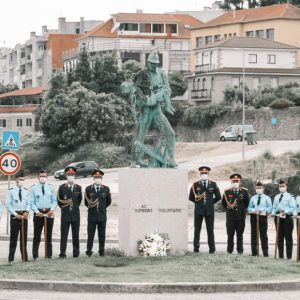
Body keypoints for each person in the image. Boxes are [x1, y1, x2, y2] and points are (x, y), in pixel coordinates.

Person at [132, 51, 176, 167]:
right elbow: (135, 90)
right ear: (148, 62)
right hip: (145, 110)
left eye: (155, 64)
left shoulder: (162, 74)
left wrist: (163, 96)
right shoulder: (141, 74)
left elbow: (168, 89)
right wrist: (142, 98)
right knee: (140, 137)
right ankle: (135, 160)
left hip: (157, 110)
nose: (153, 66)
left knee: (170, 133)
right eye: (152, 63)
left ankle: (171, 159)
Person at [189, 166, 221, 253]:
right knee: (197, 230)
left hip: (209, 211)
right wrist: (198, 203)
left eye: (205, 173)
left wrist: (210, 203)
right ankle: (196, 249)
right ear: (200, 174)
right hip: (198, 211)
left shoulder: (213, 184)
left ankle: (212, 249)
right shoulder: (195, 185)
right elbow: (191, 197)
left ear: (208, 174)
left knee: (210, 230)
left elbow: (218, 197)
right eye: (202, 173)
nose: (204, 174)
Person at [31, 168, 57, 260]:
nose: (43, 178)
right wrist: (37, 212)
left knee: (48, 235)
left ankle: (48, 255)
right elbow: (32, 202)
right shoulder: (34, 188)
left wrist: (52, 210)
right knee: (37, 235)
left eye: (44, 176)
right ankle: (35, 256)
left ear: (47, 177)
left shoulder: (50, 187)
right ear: (38, 177)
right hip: (38, 214)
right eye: (41, 176)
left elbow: (55, 201)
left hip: (49, 213)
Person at [85, 169, 111, 257]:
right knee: (90, 235)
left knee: (102, 235)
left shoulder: (106, 189)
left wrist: (102, 208)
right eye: (96, 177)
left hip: (102, 216)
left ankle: (101, 251)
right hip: (92, 215)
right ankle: (89, 251)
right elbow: (86, 202)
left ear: (101, 178)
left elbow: (108, 201)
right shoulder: (88, 189)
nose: (97, 178)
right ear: (93, 178)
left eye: (99, 177)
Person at [57, 166, 82, 258]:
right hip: (65, 214)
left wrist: (73, 208)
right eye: (69, 175)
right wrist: (66, 209)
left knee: (76, 235)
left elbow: (79, 201)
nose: (70, 176)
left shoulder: (78, 188)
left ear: (74, 176)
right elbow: (59, 202)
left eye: (72, 175)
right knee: (64, 235)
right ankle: (62, 253)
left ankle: (76, 253)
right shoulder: (61, 188)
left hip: (75, 214)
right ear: (66, 176)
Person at [6, 171, 31, 263]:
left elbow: (29, 203)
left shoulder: (26, 191)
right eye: (20, 179)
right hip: (15, 217)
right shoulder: (11, 191)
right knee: (14, 238)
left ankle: (24, 257)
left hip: (24, 216)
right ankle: (11, 259)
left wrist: (27, 211)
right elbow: (8, 205)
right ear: (16, 180)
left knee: (24, 238)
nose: (22, 181)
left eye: (23, 180)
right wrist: (16, 215)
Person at [222, 173, 249, 254]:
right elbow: (224, 204)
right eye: (234, 181)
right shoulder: (227, 192)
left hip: (240, 217)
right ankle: (229, 250)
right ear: (231, 182)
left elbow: (246, 203)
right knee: (230, 235)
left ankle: (240, 250)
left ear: (239, 182)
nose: (235, 183)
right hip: (230, 217)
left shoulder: (244, 191)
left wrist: (241, 210)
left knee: (240, 235)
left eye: (237, 181)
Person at [271, 178, 295, 259]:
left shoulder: (290, 197)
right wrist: (273, 213)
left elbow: (293, 208)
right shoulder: (276, 197)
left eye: (283, 186)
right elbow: (274, 207)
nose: (281, 187)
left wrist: (286, 211)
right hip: (278, 218)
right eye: (280, 186)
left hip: (287, 218)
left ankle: (289, 257)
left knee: (288, 237)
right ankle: (281, 256)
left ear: (286, 187)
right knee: (279, 237)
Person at [247, 181, 272, 257]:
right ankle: (254, 252)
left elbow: (270, 208)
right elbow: (249, 208)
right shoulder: (253, 198)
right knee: (254, 234)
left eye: (260, 188)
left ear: (263, 188)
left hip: (263, 217)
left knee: (263, 235)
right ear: (255, 189)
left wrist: (264, 210)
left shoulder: (267, 198)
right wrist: (253, 211)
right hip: (254, 217)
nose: (258, 189)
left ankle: (265, 253)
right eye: (257, 188)